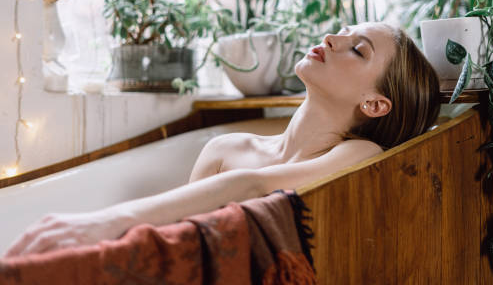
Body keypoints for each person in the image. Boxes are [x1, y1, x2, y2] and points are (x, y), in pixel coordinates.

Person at [3, 21, 440, 258]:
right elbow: (174, 243)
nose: (332, 38)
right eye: (345, 30)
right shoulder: (223, 148)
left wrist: (103, 221)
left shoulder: (359, 153)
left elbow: (253, 187)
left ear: (375, 105)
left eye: (358, 49)